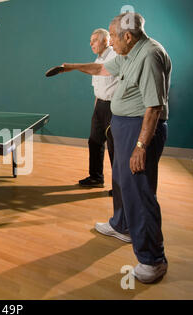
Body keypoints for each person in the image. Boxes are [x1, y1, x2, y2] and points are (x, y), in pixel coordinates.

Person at [60, 12, 171, 283]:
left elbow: (154, 106)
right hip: (124, 126)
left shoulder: (149, 55)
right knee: (121, 180)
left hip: (138, 130)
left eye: (112, 37)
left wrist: (141, 145)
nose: (110, 42)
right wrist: (73, 66)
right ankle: (121, 225)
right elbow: (102, 69)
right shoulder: (130, 53)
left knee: (139, 191)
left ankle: (153, 259)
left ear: (128, 36)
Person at [79, 29, 118, 194]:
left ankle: (119, 186)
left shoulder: (114, 56)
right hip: (100, 106)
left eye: (95, 40)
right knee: (94, 142)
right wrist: (96, 110)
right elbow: (98, 89)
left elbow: (104, 72)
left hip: (113, 107)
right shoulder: (97, 59)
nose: (91, 43)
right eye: (90, 40)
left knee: (115, 148)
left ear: (106, 41)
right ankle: (96, 177)